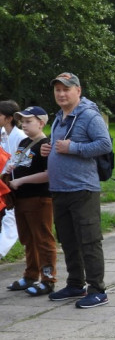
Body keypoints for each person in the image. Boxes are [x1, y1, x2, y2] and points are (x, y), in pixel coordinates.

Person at [41, 72, 113, 308]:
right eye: (58, 90)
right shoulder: (59, 117)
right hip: (60, 188)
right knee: (68, 240)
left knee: (89, 240)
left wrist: (73, 148)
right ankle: (75, 284)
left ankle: (98, 290)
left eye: (66, 89)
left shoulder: (89, 115)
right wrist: (48, 149)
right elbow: (59, 147)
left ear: (78, 91)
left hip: (82, 189)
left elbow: (105, 144)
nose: (61, 94)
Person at [5, 106, 57, 296]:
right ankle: (30, 275)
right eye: (22, 121)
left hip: (39, 198)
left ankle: (48, 279)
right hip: (21, 198)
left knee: (42, 239)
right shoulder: (24, 142)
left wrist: (21, 180)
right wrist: (10, 171)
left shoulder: (46, 145)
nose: (23, 125)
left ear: (41, 123)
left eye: (28, 121)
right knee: (28, 238)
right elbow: (20, 163)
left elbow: (48, 174)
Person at [0, 100, 25, 259]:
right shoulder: (3, 135)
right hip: (4, 182)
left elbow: (23, 160)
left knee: (11, 219)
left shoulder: (20, 137)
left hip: (15, 183)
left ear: (8, 118)